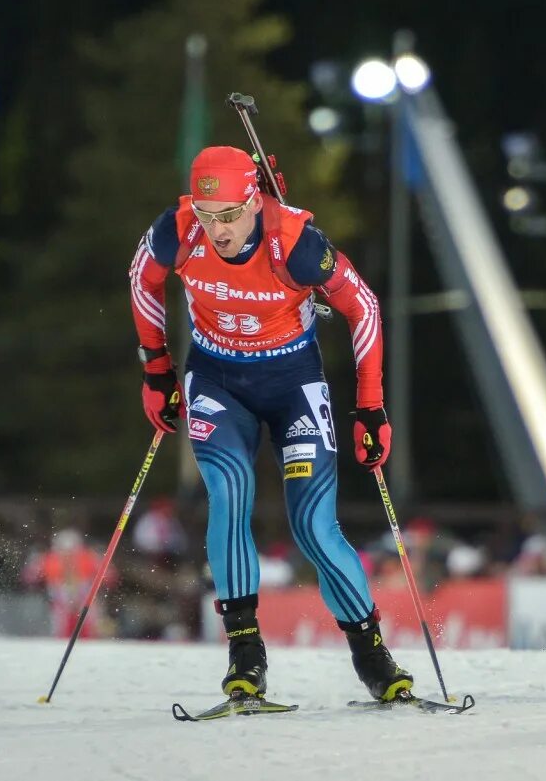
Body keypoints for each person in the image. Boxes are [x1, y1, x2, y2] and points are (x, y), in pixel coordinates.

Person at [129, 145, 412, 702]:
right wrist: (157, 370)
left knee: (312, 524)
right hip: (217, 381)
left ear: (255, 201)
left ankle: (373, 658)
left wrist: (371, 407)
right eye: (210, 217)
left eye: (231, 215)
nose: (220, 231)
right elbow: (142, 283)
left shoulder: (297, 243)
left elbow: (366, 309)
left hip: (293, 384)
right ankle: (245, 658)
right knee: (229, 493)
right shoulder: (177, 231)